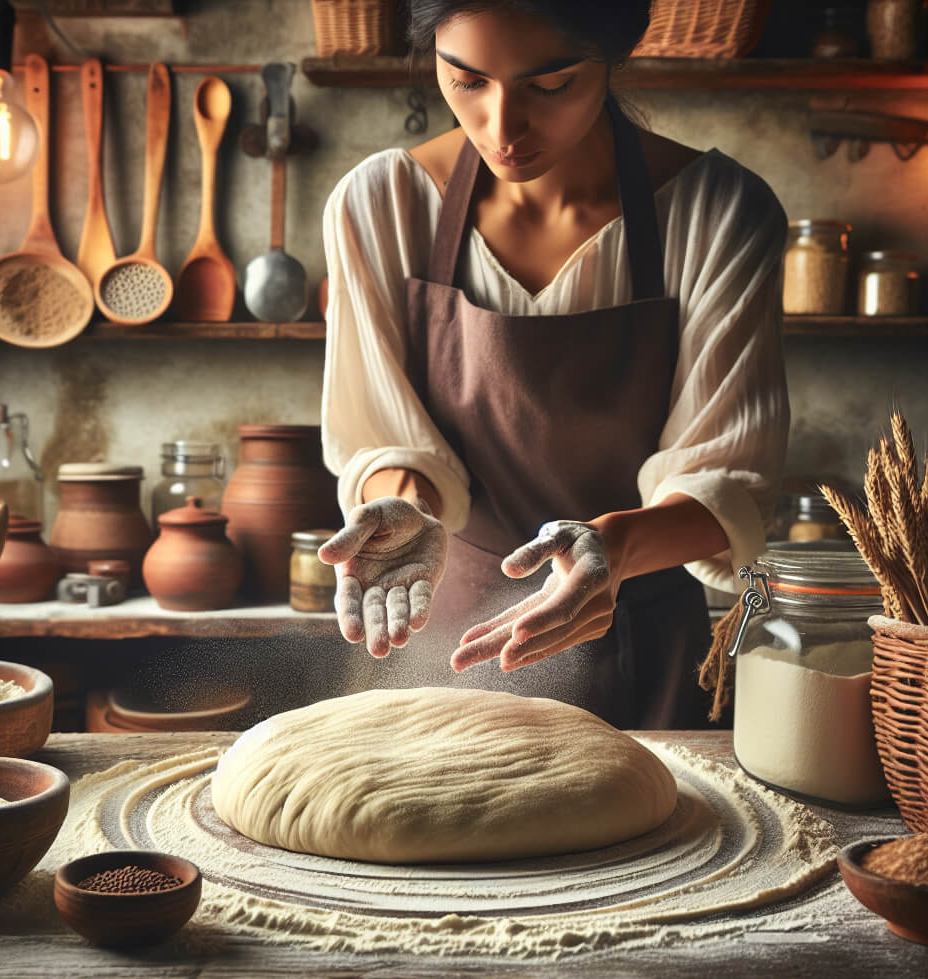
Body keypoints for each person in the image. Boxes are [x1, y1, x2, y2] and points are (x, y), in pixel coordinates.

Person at [317, 0, 789, 729]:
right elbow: (384, 433)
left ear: (615, 52)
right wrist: (403, 509)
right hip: (438, 637)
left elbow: (728, 482)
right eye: (467, 79)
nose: (502, 129)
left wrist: (616, 547)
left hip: (644, 644)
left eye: (550, 85)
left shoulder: (719, 213)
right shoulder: (381, 204)